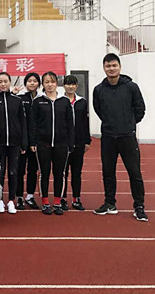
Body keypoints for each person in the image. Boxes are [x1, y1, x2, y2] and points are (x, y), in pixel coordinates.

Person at [93, 53, 147, 221]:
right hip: (108, 137)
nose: (111, 68)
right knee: (108, 172)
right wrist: (110, 123)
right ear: (104, 68)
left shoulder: (131, 87)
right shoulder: (99, 90)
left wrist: (128, 124)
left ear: (120, 67)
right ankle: (110, 203)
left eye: (114, 65)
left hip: (127, 136)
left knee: (134, 172)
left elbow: (140, 108)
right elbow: (98, 109)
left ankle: (139, 206)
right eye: (108, 66)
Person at [29, 71, 74, 215]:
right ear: (43, 84)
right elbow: (33, 123)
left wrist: (70, 143)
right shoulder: (38, 101)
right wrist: (33, 142)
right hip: (43, 144)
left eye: (52, 81)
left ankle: (57, 202)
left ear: (57, 83)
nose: (50, 85)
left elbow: (70, 124)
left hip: (61, 144)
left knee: (60, 173)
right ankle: (45, 202)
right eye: (47, 82)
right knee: (44, 173)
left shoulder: (64, 101)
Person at [0, 72, 27, 215]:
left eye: (5, 81)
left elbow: (23, 123)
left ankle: (11, 200)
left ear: (10, 82)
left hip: (14, 143)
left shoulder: (17, 101)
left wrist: (23, 143)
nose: (3, 84)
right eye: (0, 82)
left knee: (13, 172)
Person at [61, 75, 91, 211]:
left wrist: (87, 140)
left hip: (79, 143)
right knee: (63, 173)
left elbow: (85, 122)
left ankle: (76, 198)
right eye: (68, 84)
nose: (70, 87)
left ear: (76, 86)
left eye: (73, 84)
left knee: (76, 172)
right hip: (63, 143)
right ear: (64, 86)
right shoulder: (60, 101)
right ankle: (62, 198)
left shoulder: (82, 102)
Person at [16, 72, 41, 210]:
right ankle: (19, 196)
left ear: (39, 83)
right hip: (22, 141)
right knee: (19, 170)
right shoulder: (20, 99)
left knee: (33, 170)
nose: (32, 83)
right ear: (25, 83)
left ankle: (30, 196)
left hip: (36, 143)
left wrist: (35, 141)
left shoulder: (42, 99)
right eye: (29, 81)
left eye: (35, 81)